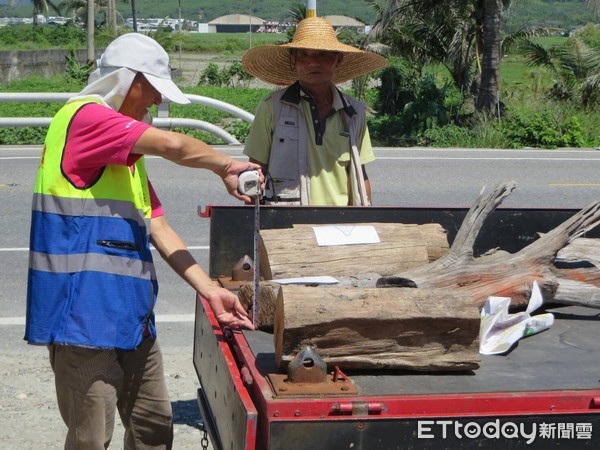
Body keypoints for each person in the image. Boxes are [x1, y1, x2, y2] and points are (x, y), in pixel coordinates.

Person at [24, 33, 262, 449]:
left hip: (130, 316)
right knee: (91, 438)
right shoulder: (85, 118)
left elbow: (159, 227)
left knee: (154, 425)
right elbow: (173, 144)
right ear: (129, 80)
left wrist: (210, 291)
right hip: (83, 316)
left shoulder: (123, 159)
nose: (155, 103)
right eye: (153, 91)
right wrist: (225, 165)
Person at [241, 16, 387, 206]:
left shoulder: (354, 113)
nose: (313, 63)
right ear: (293, 60)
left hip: (341, 224)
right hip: (287, 223)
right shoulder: (272, 107)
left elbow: (361, 173)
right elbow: (255, 172)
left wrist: (366, 219)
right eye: (304, 55)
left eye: (322, 55)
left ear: (338, 59)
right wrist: (252, 224)